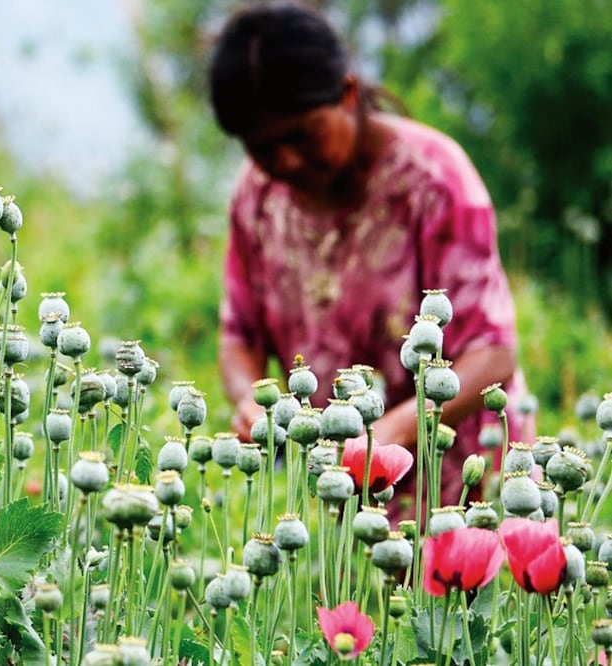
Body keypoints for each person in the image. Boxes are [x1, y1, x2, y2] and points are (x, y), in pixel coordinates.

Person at [208, 1, 531, 509]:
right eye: (263, 148)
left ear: (348, 93)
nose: (286, 160)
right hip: (342, 492)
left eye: (303, 134)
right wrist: (251, 399)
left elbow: (494, 352)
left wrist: (388, 438)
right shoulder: (258, 199)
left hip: (465, 483)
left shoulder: (435, 182)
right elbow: (238, 337)